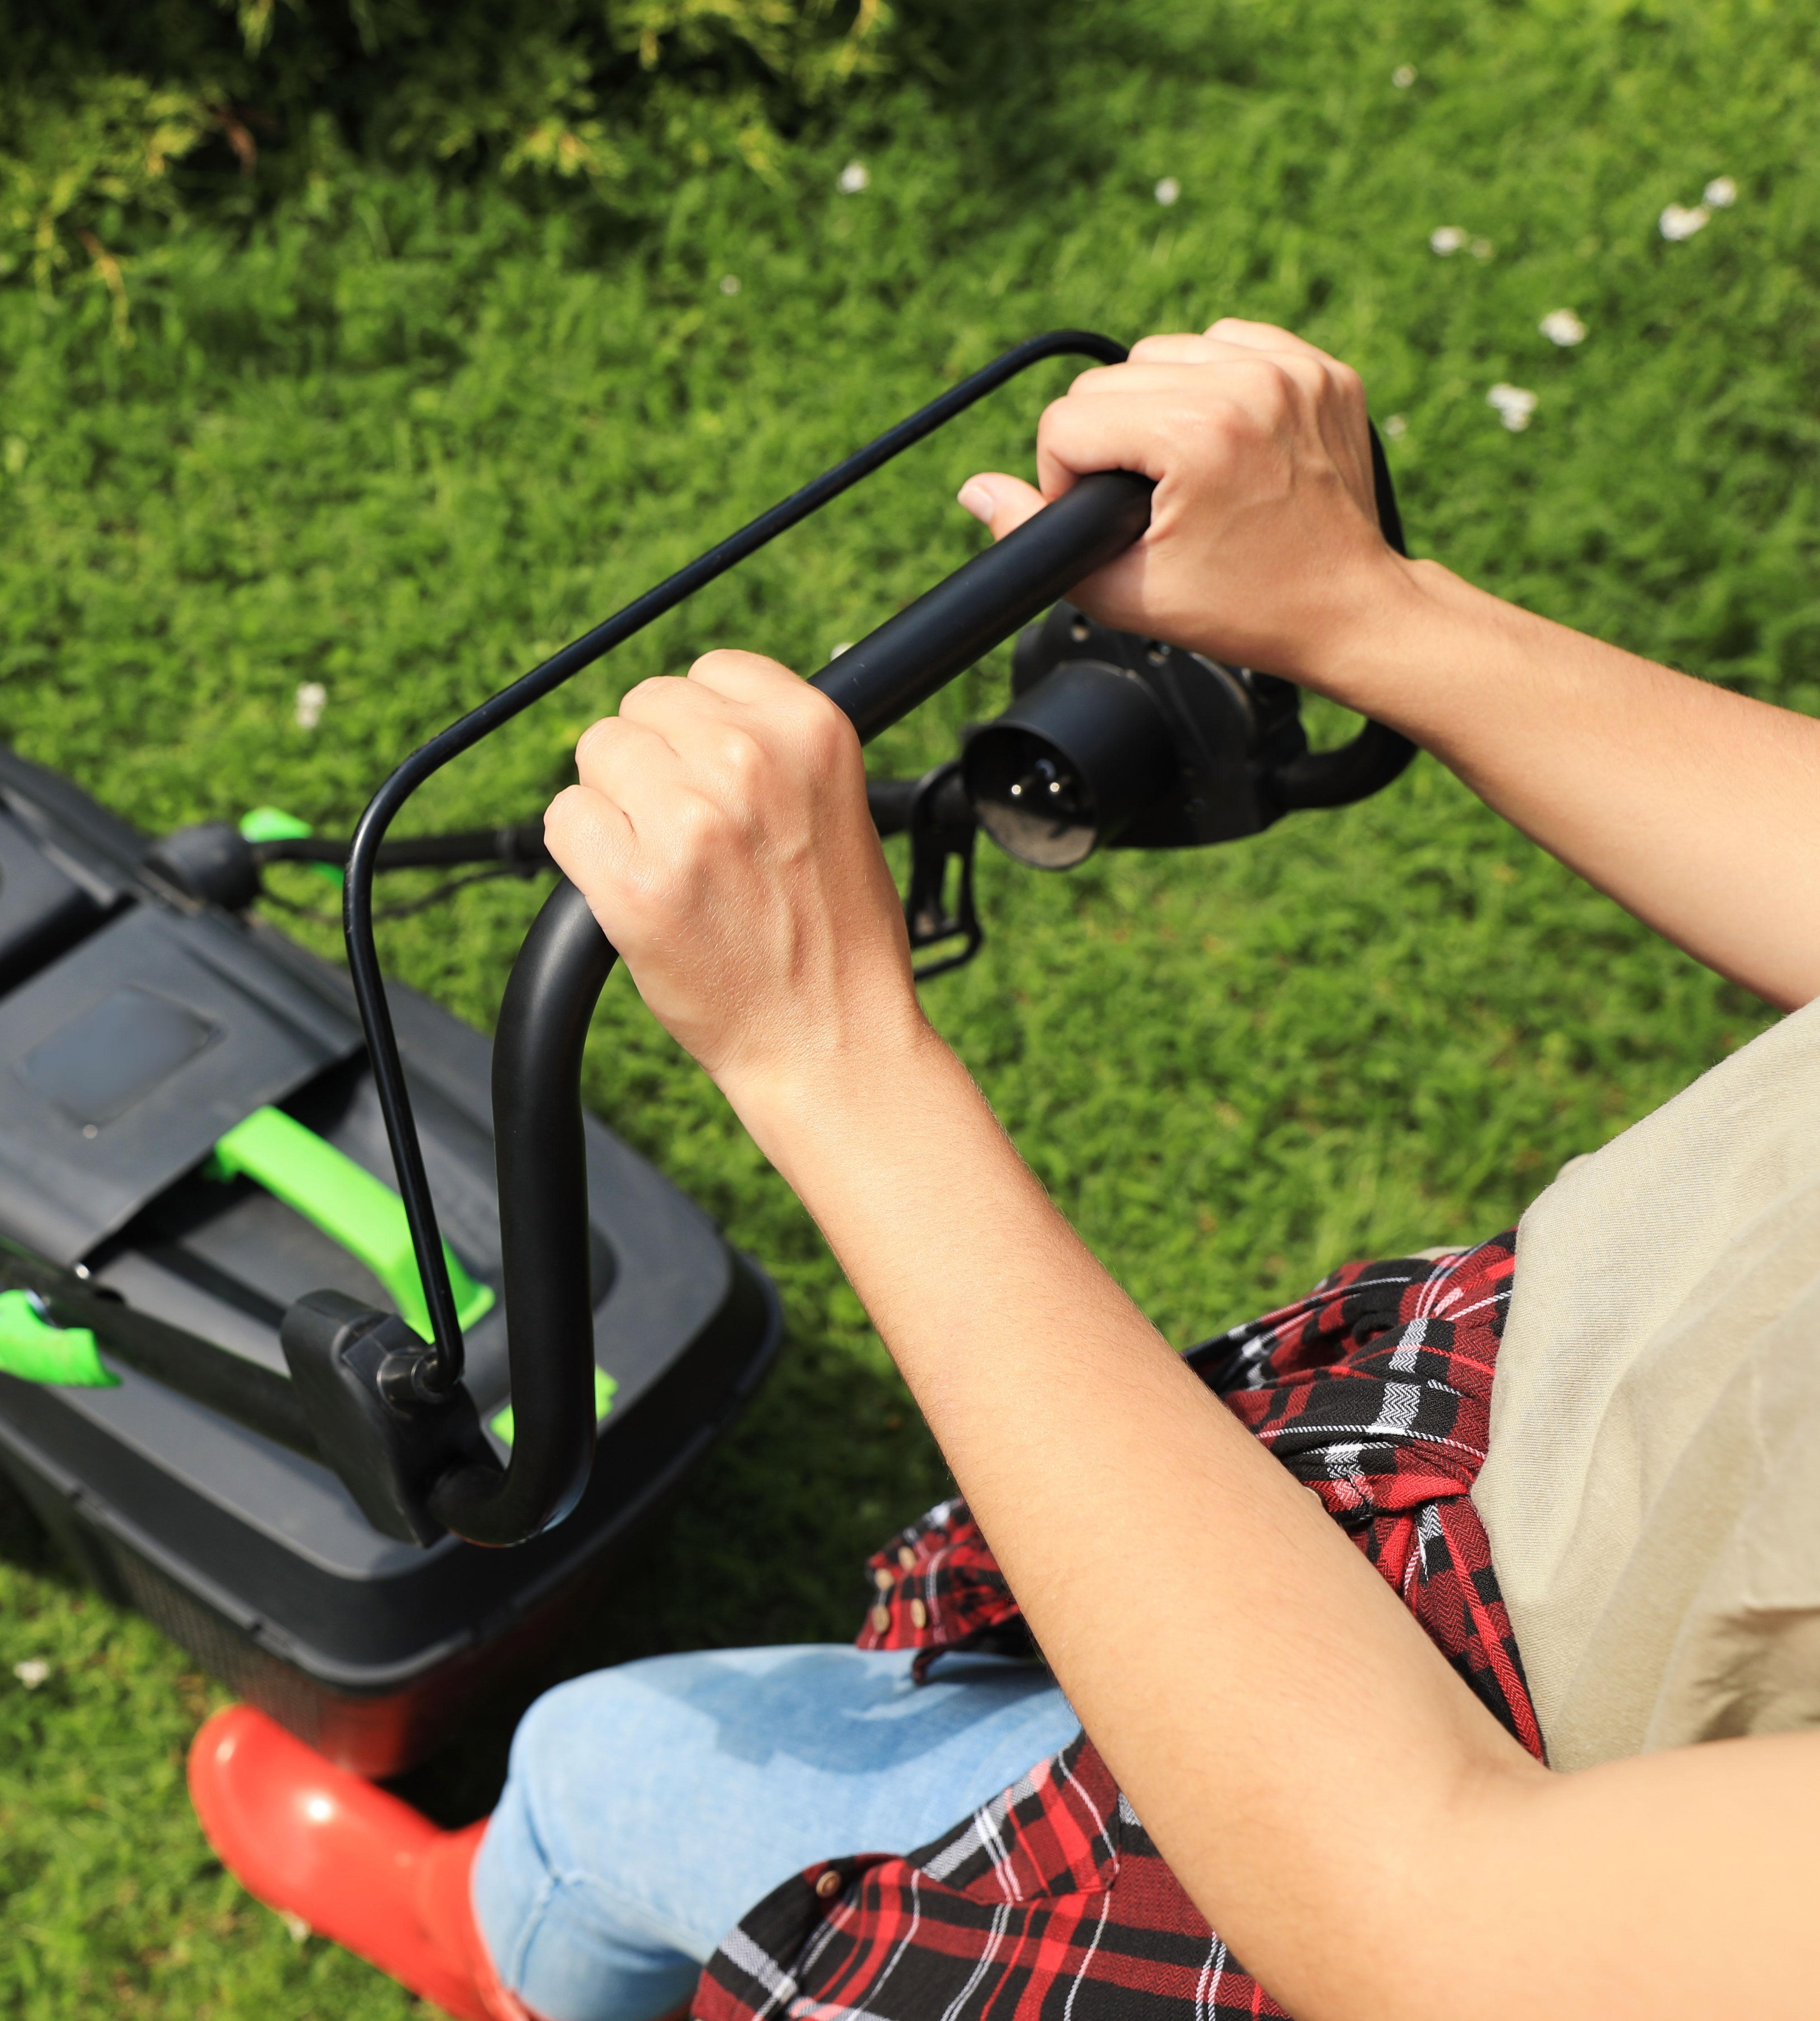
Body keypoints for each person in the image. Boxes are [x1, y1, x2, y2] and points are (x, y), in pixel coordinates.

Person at [185, 320, 1820, 2021]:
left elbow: (1441, 1919)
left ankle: (493, 1951)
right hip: (1534, 1471)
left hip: (1412, 1804)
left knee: (611, 1782)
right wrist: (1364, 608)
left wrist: (832, 1052)